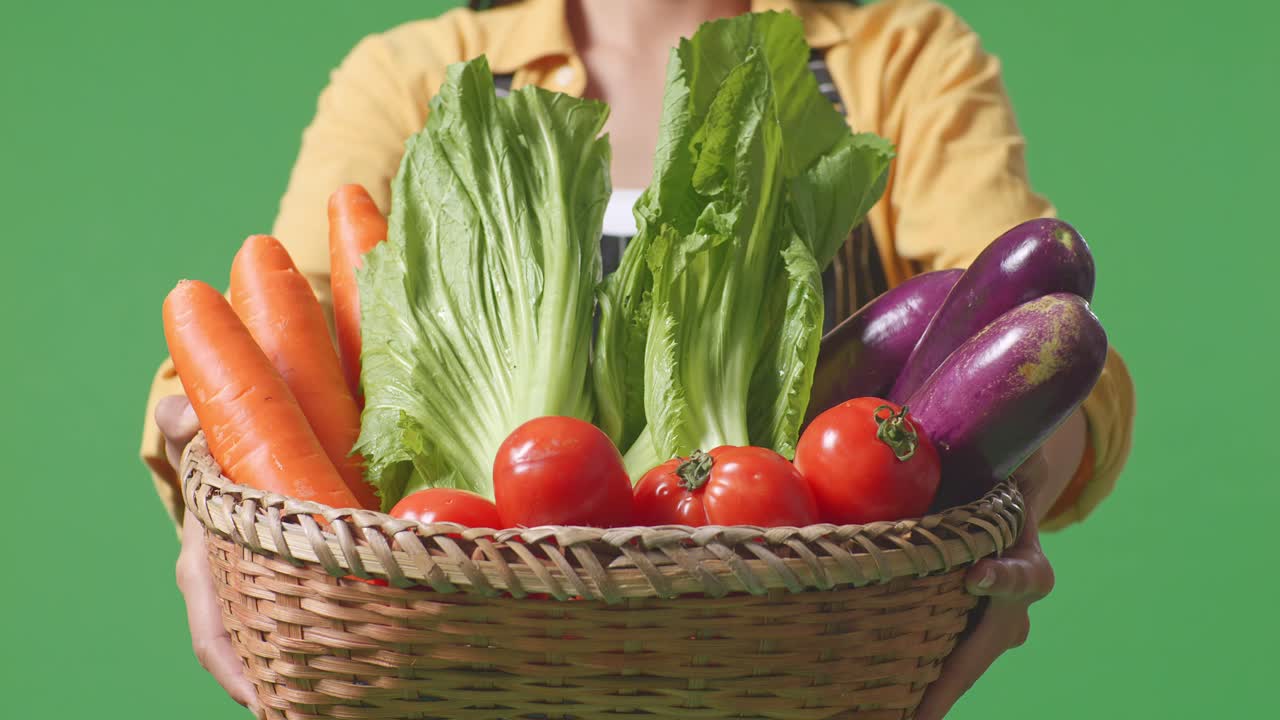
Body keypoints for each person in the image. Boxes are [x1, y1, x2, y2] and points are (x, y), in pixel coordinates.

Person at [143, 0, 1136, 717]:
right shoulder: (412, 71)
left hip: (782, 638)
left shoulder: (902, 56)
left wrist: (1016, 501)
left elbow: (1038, 342)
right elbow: (267, 345)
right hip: (455, 623)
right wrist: (206, 513)